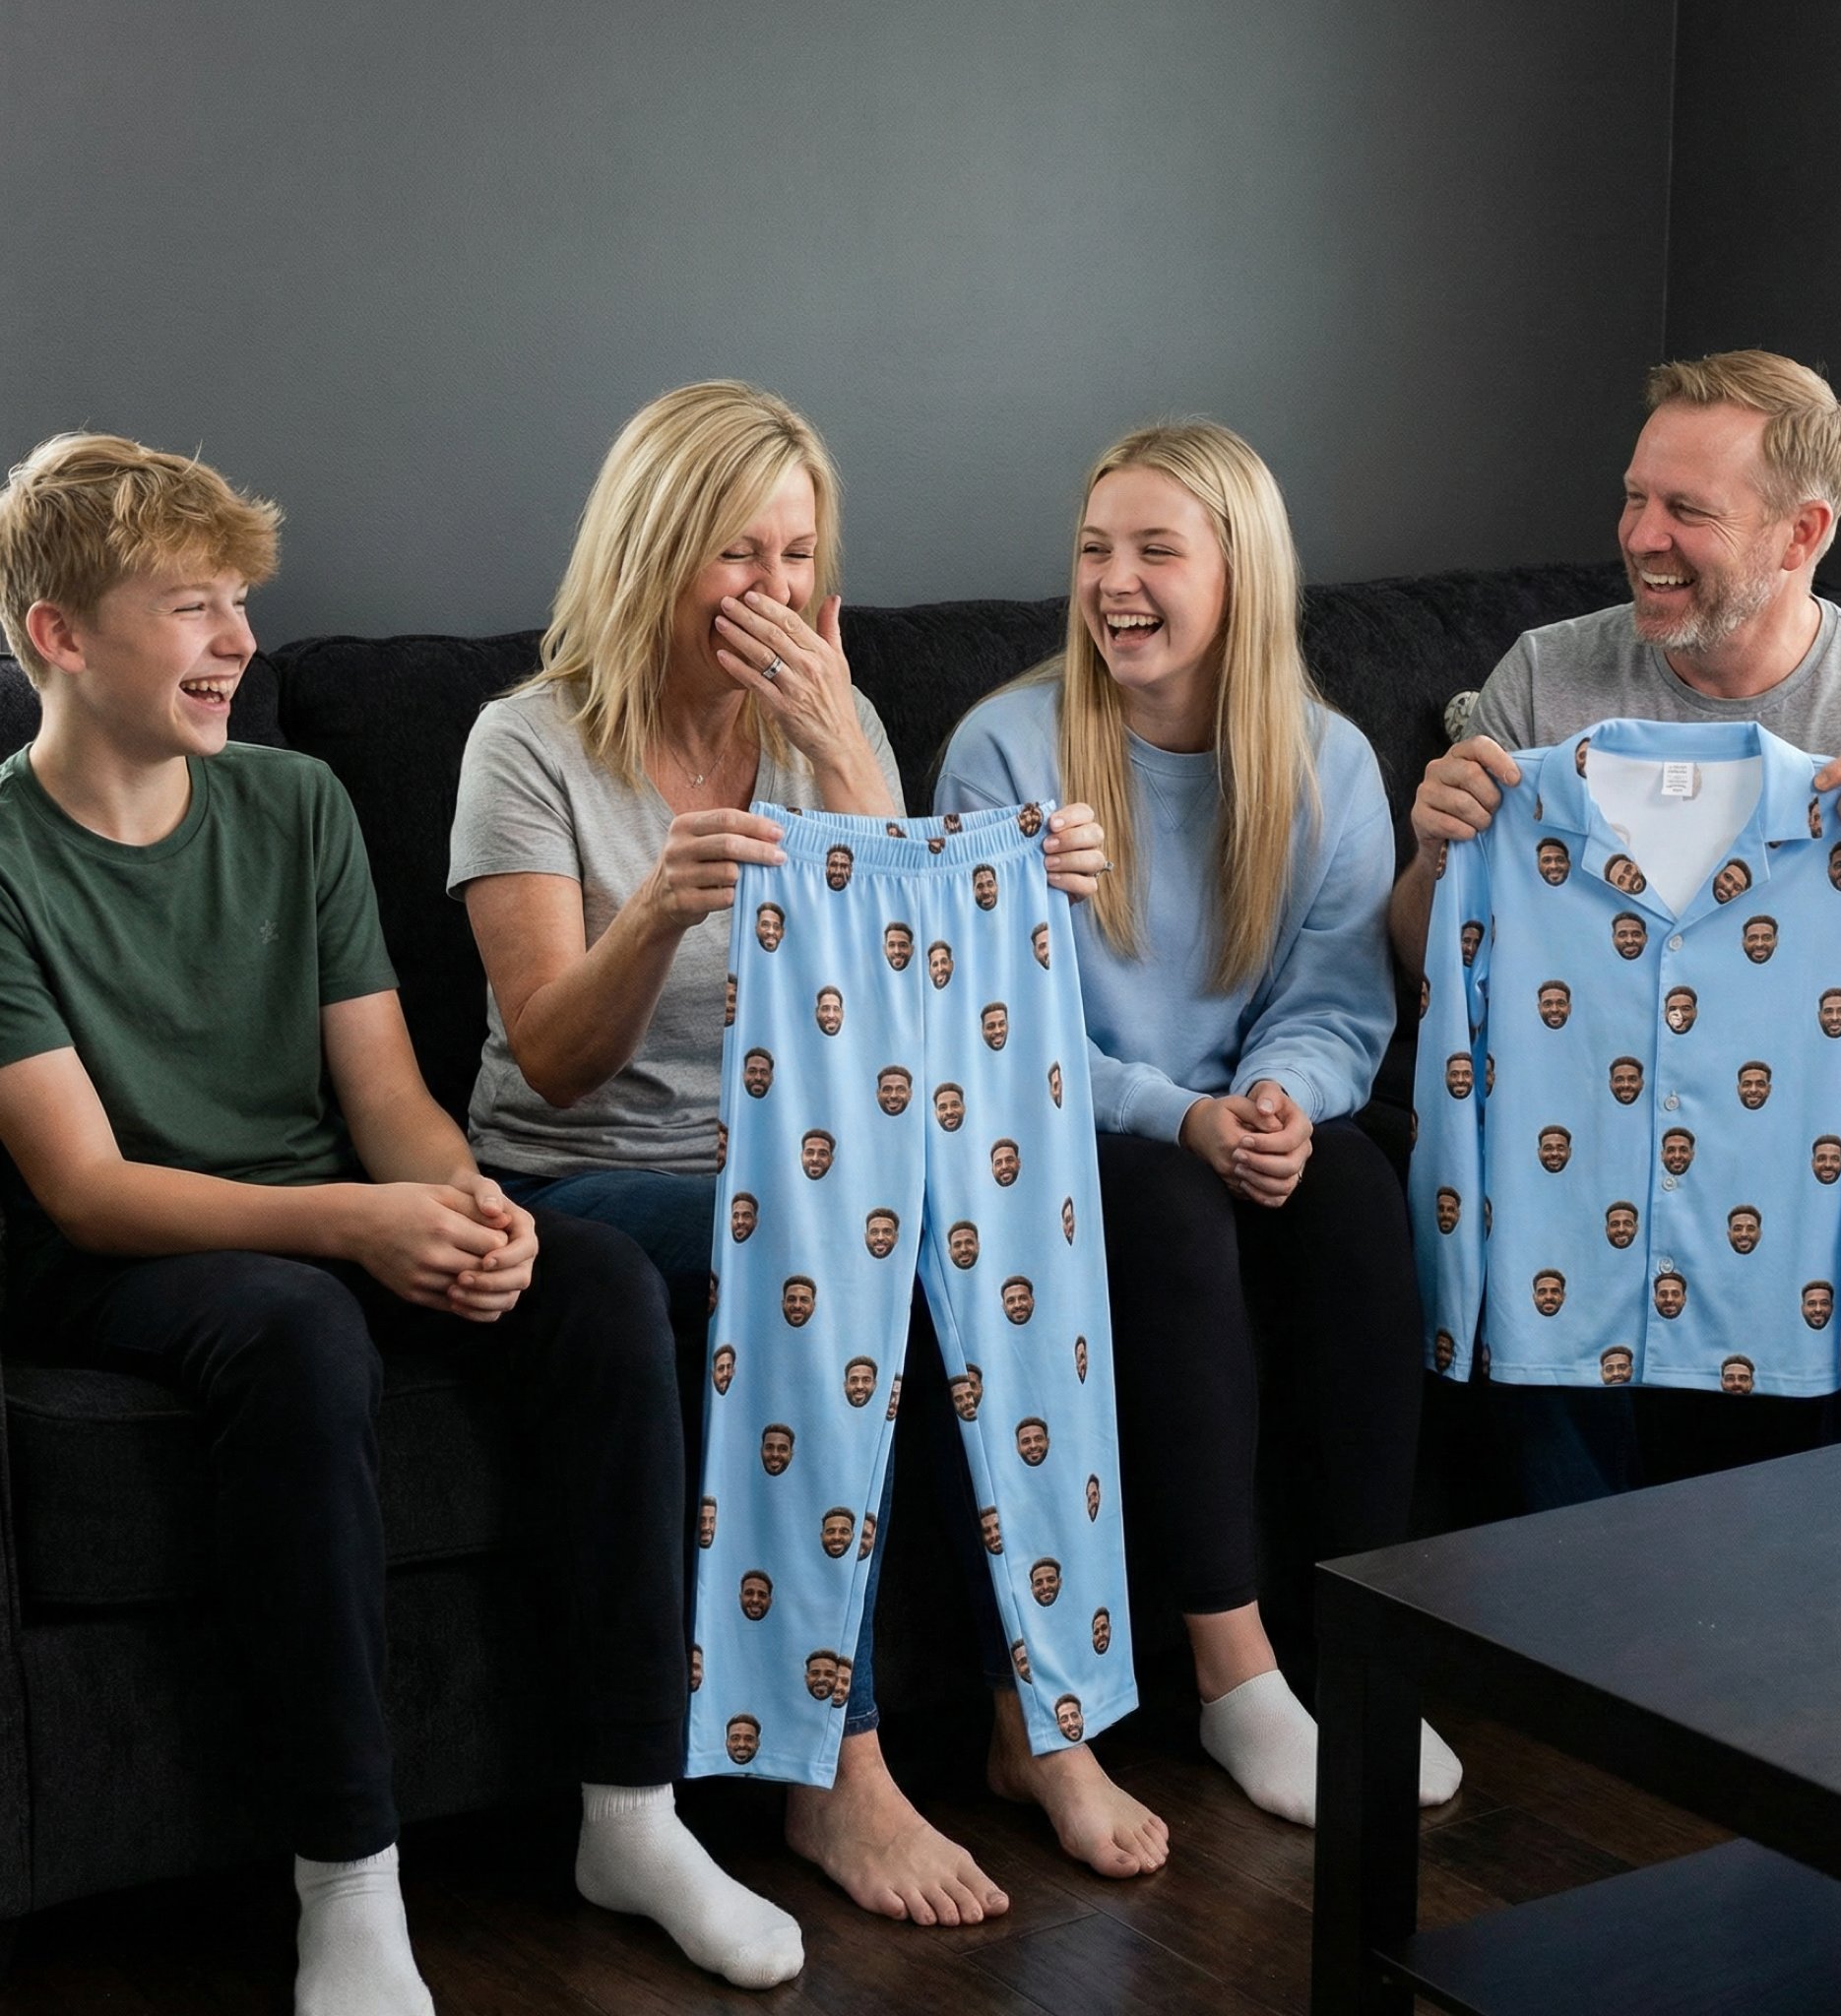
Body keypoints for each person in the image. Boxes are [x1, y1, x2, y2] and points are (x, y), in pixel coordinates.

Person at [0, 434, 803, 2006]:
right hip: (119, 1256)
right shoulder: (4, 856)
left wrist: (466, 1203)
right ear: (59, 636)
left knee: (593, 1289)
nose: (239, 641)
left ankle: (633, 1815)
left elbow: (386, 1098)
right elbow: (87, 1187)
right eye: (193, 607)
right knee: (299, 1334)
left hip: (322, 1203)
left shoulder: (294, 805)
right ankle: (348, 1887)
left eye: (243, 603)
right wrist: (360, 1229)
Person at [451, 382, 1162, 1922]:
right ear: (653, 554)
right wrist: (660, 907)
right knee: (839, 1252)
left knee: (993, 1245)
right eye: (736, 556)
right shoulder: (526, 746)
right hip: (586, 1174)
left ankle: (1035, 1719)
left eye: (796, 555)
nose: (773, 593)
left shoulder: (824, 728)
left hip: (815, 1176)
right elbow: (553, 1069)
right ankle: (830, 1772)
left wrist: (1014, 872)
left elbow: (922, 1019)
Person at [936, 419, 1459, 1820]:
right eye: (1096, 548)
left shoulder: (1326, 761)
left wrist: (1281, 1100)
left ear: (1242, 575)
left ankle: (1362, 1654)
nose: (1116, 580)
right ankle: (1234, 1679)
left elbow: (1343, 997)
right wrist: (1184, 1120)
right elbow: (988, 1035)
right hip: (1057, 1133)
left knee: (1355, 1185)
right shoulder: (1006, 746)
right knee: (1165, 1207)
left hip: (1233, 1116)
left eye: (1156, 550)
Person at [1392, 349, 1841, 1505]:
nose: (1638, 535)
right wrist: (1435, 855)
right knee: (1518, 1181)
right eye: (1633, 496)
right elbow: (1424, 958)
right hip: (1571, 1090)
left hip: (1814, 1097)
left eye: (1685, 510)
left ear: (1799, 532)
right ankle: (1557, 1607)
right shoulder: (1545, 672)